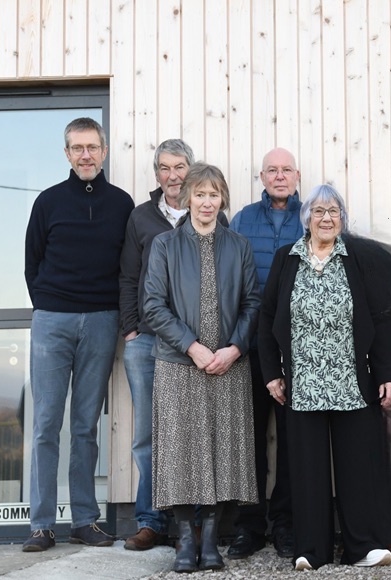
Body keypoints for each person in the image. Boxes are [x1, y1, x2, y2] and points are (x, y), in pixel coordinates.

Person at [259, 184, 391, 571]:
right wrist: (272, 373)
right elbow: (266, 318)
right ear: (306, 218)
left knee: (358, 468)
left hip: (352, 382)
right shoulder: (285, 259)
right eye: (319, 211)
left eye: (334, 211)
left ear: (342, 217)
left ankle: (362, 548)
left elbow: (382, 319)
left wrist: (388, 373)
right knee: (307, 473)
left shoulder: (357, 260)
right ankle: (312, 550)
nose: (327, 218)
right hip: (303, 385)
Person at [22, 117, 134, 552]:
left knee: (86, 425)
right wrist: (51, 306)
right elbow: (32, 264)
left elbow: (128, 266)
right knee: (47, 424)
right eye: (77, 148)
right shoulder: (47, 202)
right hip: (53, 319)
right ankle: (41, 524)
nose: (85, 155)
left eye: (92, 147)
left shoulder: (122, 204)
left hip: (103, 320)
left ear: (103, 152)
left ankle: (85, 520)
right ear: (66, 154)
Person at [143, 163, 260, 573]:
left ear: (222, 199)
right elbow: (153, 306)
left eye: (214, 194)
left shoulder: (238, 245)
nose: (207, 202)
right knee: (180, 452)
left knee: (221, 452)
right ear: (186, 197)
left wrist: (234, 348)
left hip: (228, 366)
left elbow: (252, 303)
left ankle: (210, 541)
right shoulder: (164, 246)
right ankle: (184, 543)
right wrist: (192, 347)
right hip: (180, 364)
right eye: (200, 194)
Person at [119, 139, 223, 551]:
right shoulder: (141, 218)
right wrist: (132, 329)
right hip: (148, 341)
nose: (173, 175)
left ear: (192, 170)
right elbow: (129, 277)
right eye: (165, 168)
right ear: (157, 173)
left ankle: (193, 526)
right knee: (148, 436)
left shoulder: (212, 215)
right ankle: (150, 521)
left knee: (193, 434)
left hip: (196, 346)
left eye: (180, 167)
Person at [226, 147, 303, 559]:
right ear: (261, 176)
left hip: (298, 350)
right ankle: (249, 527)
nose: (279, 176)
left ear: (297, 176)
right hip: (250, 347)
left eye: (285, 170)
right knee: (250, 441)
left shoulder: (311, 218)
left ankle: (286, 524)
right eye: (271, 170)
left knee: (293, 441)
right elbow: (231, 281)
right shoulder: (242, 220)